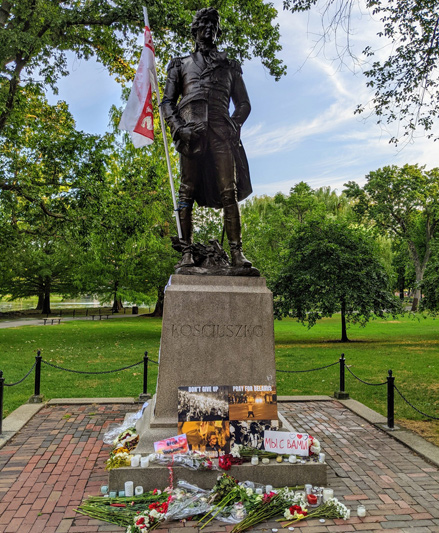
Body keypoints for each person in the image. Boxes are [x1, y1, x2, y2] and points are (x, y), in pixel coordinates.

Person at [162, 7, 253, 268]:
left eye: (214, 25)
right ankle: (187, 253)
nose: (210, 29)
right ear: (195, 30)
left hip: (221, 134)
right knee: (185, 191)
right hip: (191, 134)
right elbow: (167, 103)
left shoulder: (230, 65)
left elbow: (244, 104)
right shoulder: (180, 65)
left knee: (229, 191)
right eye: (205, 24)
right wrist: (179, 128)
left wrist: (234, 125)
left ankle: (236, 252)